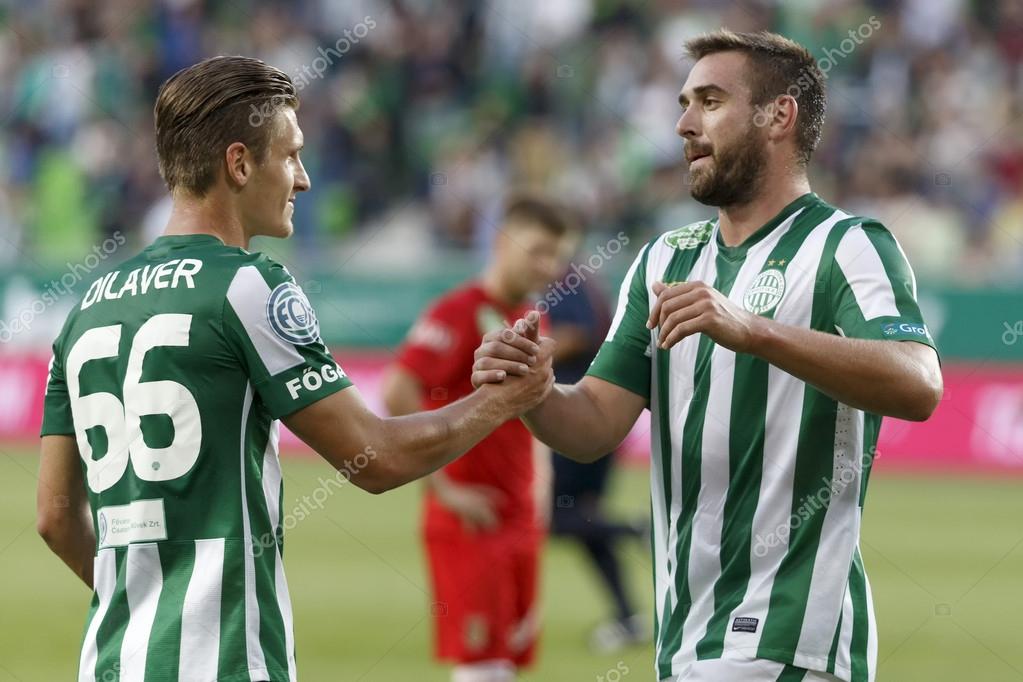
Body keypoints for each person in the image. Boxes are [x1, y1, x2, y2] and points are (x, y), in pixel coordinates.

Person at [35, 56, 553, 682]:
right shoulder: (249, 285)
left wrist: (146, 601)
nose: (303, 180)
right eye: (291, 155)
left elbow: (56, 516)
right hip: (224, 663)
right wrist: (504, 399)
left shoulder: (85, 308)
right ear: (239, 163)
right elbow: (375, 457)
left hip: (111, 662)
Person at [471, 30, 943, 682]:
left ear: (778, 116)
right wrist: (534, 392)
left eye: (710, 101)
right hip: (686, 637)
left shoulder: (846, 245)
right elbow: (593, 427)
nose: (683, 123)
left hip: (787, 636)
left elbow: (918, 382)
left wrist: (756, 331)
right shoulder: (664, 259)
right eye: (684, 102)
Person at [380, 194, 576, 682]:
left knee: (507, 658)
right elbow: (397, 390)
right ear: (499, 242)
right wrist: (444, 489)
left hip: (518, 510)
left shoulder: (531, 317)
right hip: (471, 514)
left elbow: (534, 409)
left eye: (556, 254)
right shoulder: (458, 311)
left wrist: (542, 482)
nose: (548, 266)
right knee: (482, 663)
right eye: (537, 250)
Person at [544, 276, 649, 653]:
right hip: (590, 416)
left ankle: (636, 530)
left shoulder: (566, 285)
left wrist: (531, 355)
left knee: (550, 519)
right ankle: (628, 619)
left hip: (579, 418)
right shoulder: (582, 284)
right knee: (587, 522)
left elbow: (577, 333)